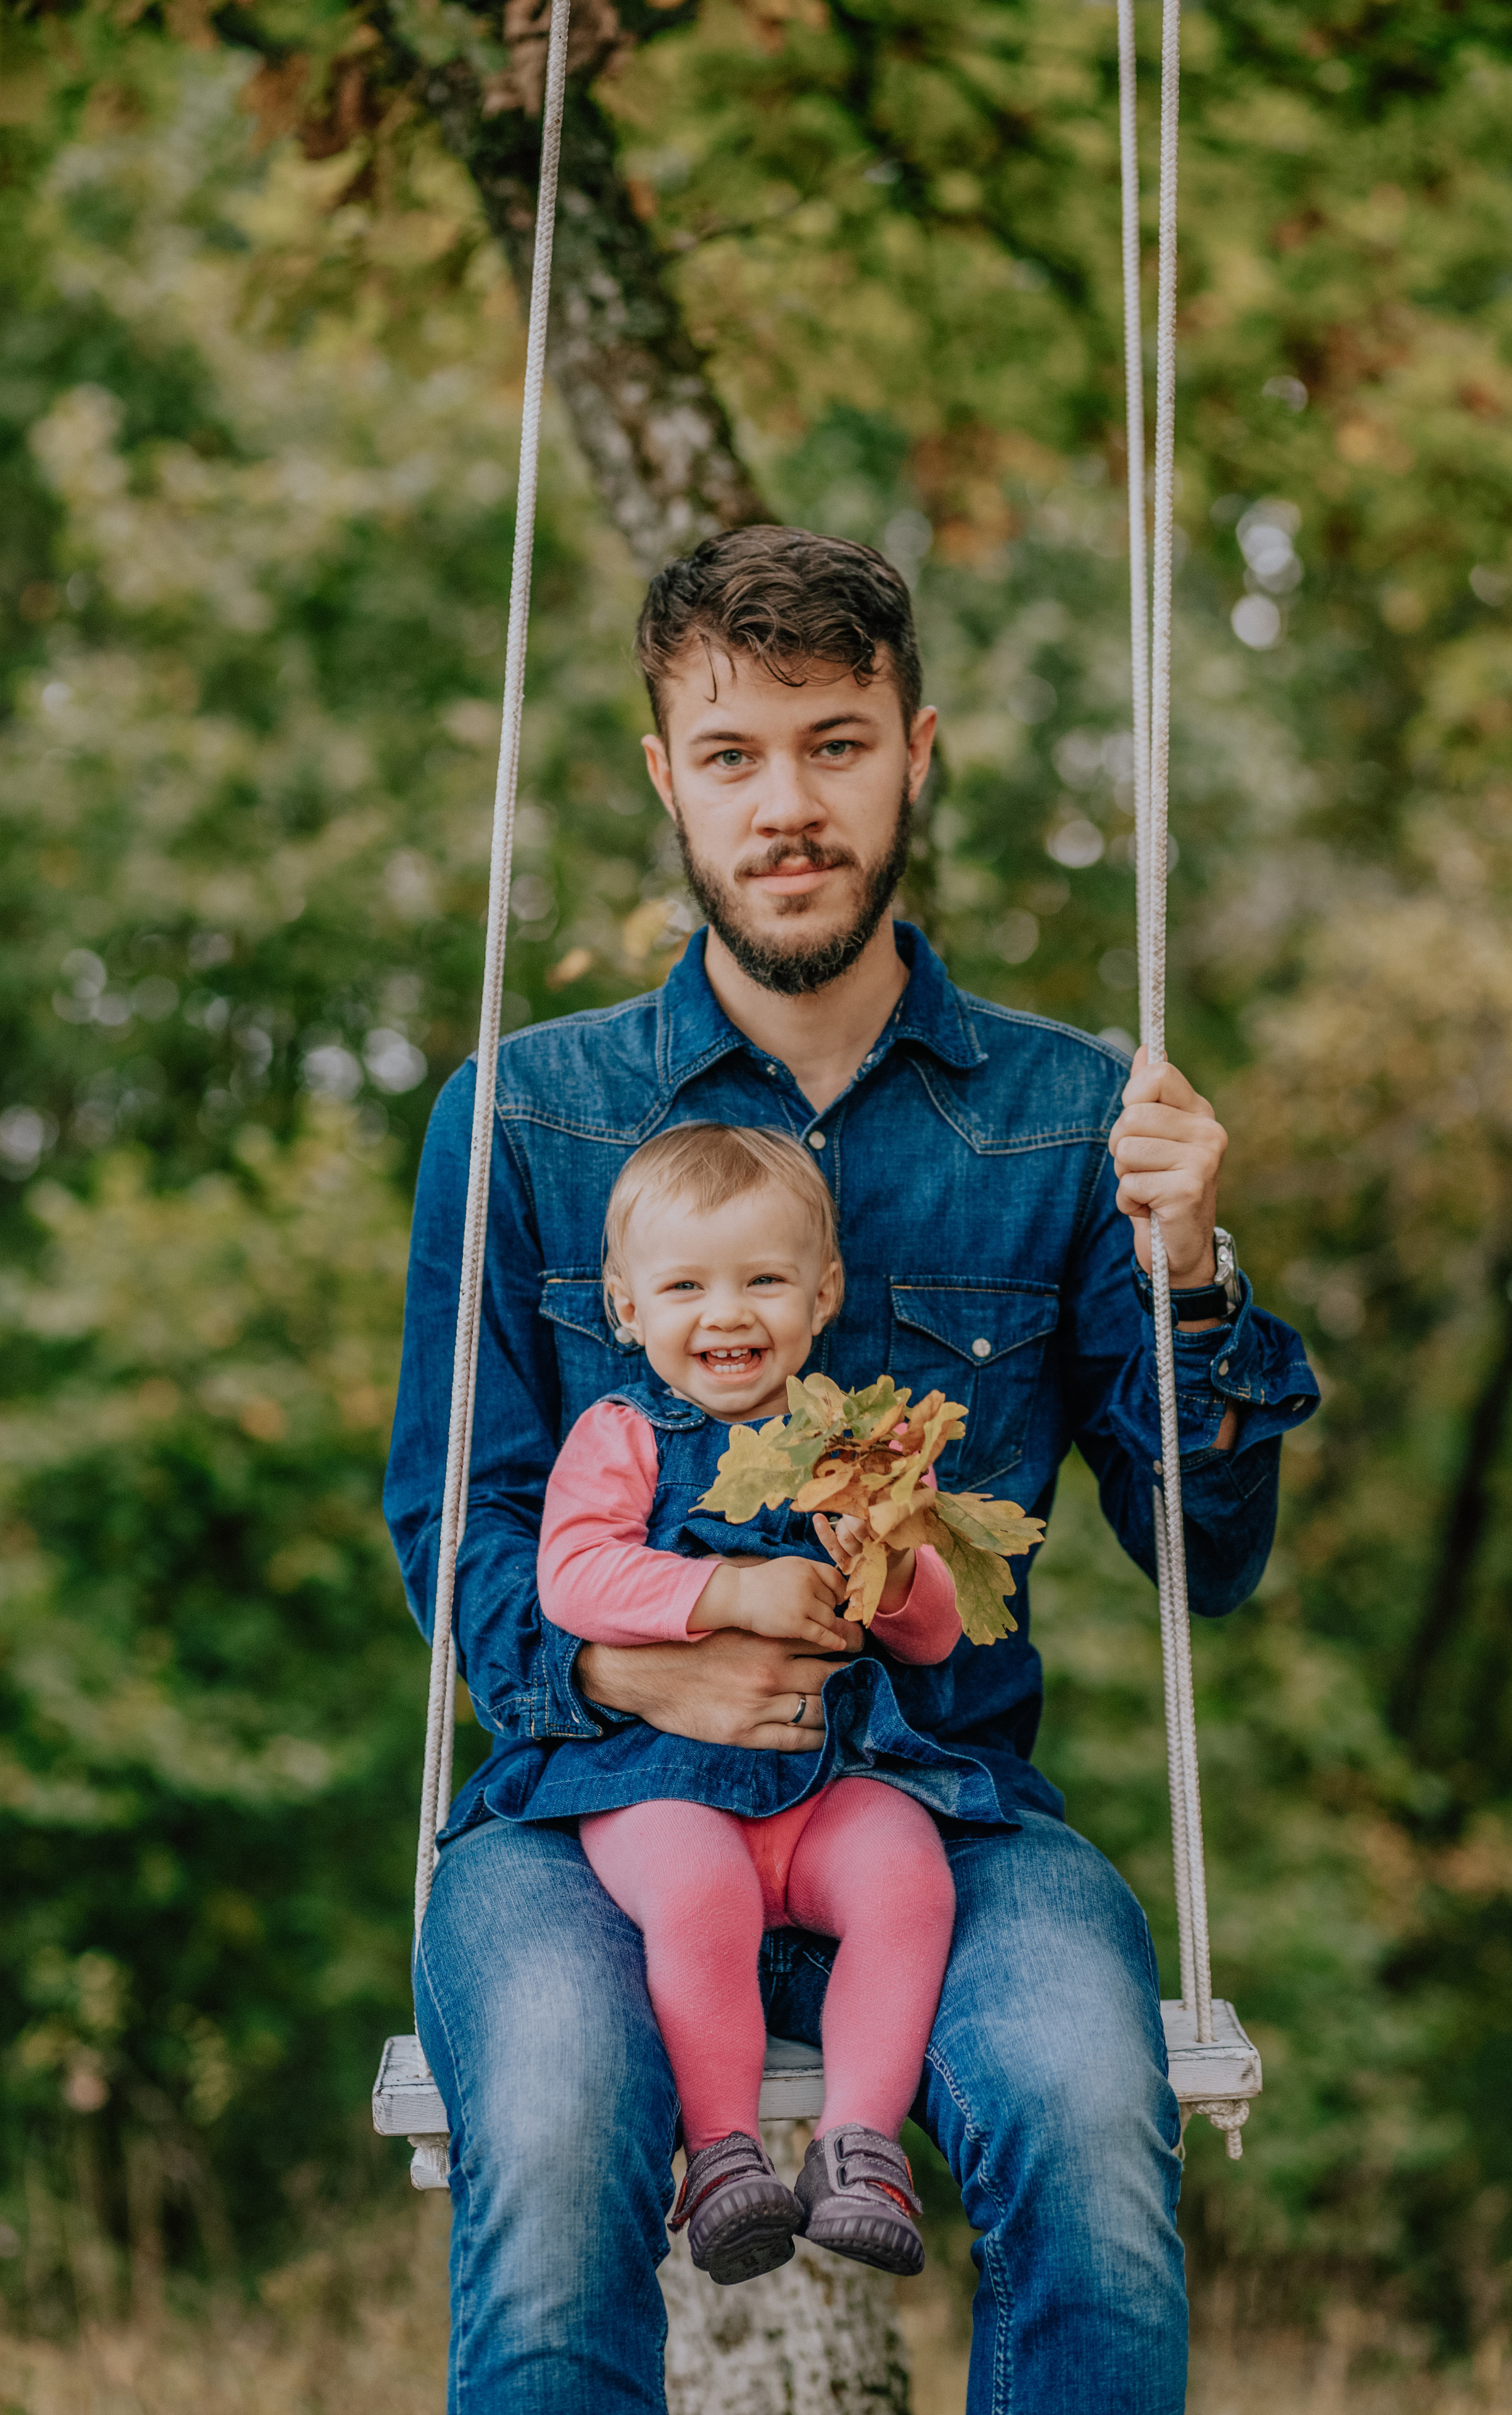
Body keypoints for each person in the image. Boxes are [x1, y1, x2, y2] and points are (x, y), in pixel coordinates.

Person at [385, 524, 1319, 2414]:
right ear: (666, 776)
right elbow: (452, 1522)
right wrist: (623, 1659)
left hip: (940, 1804)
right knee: (558, 2145)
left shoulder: (1071, 1116)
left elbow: (1202, 1554)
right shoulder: (528, 1114)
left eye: (834, 741)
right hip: (588, 1814)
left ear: (917, 749)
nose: (785, 802)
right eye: (732, 755)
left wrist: (1198, 1272)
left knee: (1083, 2119)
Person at [538, 1120, 988, 2287]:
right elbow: (574, 1575)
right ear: (626, 1308)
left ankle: (859, 2144)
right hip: (661, 1782)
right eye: (685, 1284)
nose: (726, 1312)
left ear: (823, 1293)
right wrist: (728, 1586)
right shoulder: (624, 1435)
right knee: (697, 1896)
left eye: (764, 1279)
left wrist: (883, 1551)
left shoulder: (864, 1450)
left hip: (827, 1780)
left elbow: (935, 1632)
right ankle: (725, 2152)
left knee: (909, 1878)